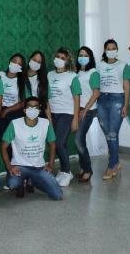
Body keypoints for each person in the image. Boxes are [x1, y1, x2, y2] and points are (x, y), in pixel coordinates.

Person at [1, 97, 62, 200]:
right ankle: (21, 183)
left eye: (36, 107)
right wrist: (10, 167)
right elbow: (3, 147)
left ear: (39, 110)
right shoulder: (15, 124)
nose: (33, 109)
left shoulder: (46, 123)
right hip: (20, 166)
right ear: (24, 110)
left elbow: (52, 144)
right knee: (12, 183)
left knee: (57, 195)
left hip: (39, 167)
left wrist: (51, 164)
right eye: (30, 107)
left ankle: (32, 180)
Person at [97, 39, 130, 180]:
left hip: (117, 100)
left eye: (113, 48)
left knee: (112, 133)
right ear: (105, 50)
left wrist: (126, 105)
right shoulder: (99, 66)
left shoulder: (123, 65)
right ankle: (116, 161)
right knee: (109, 134)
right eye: (108, 48)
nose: (111, 50)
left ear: (117, 49)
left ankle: (111, 166)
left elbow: (127, 86)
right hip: (101, 100)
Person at [47, 48, 81, 187]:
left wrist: (75, 119)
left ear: (68, 61)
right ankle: (63, 169)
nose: (59, 59)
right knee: (58, 144)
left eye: (63, 58)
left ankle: (67, 172)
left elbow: (77, 98)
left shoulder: (72, 76)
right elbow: (48, 96)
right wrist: (48, 116)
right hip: (53, 114)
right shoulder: (49, 75)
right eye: (57, 56)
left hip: (67, 114)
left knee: (59, 143)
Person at [74, 46, 100, 182]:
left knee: (78, 140)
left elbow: (96, 92)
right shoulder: (77, 72)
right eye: (80, 55)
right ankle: (83, 167)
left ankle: (88, 169)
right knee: (80, 140)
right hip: (78, 109)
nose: (82, 57)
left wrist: (85, 110)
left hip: (88, 110)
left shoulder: (93, 72)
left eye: (85, 55)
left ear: (90, 58)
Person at [26, 51, 50, 119]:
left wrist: (49, 120)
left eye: (39, 62)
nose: (35, 63)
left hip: (39, 112)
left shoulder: (43, 80)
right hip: (23, 112)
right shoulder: (20, 77)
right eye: (34, 60)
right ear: (30, 59)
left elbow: (46, 103)